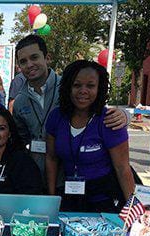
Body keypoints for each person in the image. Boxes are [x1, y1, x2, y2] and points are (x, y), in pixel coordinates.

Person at [13, 34, 128, 185]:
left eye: (34, 57)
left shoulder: (70, 87)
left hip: (69, 176)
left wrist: (125, 115)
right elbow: (21, 139)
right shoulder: (20, 101)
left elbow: (96, 111)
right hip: (35, 175)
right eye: (23, 61)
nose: (29, 65)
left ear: (47, 58)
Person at [45, 60, 135, 213]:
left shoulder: (109, 120)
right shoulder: (56, 117)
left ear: (99, 88)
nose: (83, 91)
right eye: (77, 85)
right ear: (68, 87)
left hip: (103, 199)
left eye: (90, 86)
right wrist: (52, 198)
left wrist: (133, 210)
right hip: (68, 197)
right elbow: (51, 158)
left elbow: (122, 168)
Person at [0, 108, 43, 212]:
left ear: (9, 133)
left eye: (1, 128)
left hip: (11, 224)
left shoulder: (22, 163)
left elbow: (32, 202)